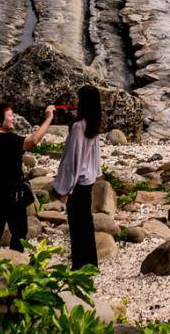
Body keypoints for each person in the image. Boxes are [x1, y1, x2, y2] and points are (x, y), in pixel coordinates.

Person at [0, 101, 56, 251]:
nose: (13, 119)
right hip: (11, 194)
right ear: (0, 121)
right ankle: (15, 264)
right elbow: (33, 140)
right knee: (19, 231)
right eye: (10, 116)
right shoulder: (9, 139)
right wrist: (49, 118)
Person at [52, 84, 104, 269]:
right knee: (86, 223)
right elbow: (94, 155)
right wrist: (97, 173)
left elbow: (71, 161)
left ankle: (79, 265)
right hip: (88, 180)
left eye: (78, 99)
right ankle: (91, 263)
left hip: (77, 183)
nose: (76, 101)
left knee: (76, 224)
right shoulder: (94, 124)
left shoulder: (78, 127)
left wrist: (63, 188)